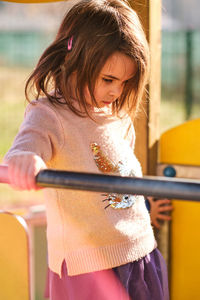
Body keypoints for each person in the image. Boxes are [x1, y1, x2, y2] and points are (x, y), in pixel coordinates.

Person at [4, 0, 169, 299]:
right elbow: (27, 145)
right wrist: (25, 159)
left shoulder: (118, 116)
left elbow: (123, 183)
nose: (116, 92)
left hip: (141, 255)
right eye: (108, 79)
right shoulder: (51, 114)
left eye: (125, 82)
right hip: (89, 270)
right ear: (76, 59)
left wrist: (144, 209)